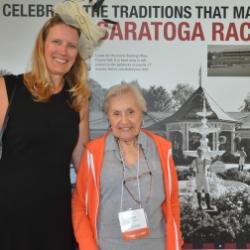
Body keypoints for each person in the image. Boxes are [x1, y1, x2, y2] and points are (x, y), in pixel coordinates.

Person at [0, 1, 106, 250]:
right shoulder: (7, 89)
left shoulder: (79, 100)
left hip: (57, 219)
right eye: (56, 42)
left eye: (71, 46)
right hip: (9, 217)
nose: (63, 51)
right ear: (42, 46)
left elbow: (83, 161)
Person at [72, 83, 183, 250]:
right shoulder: (93, 154)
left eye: (131, 112)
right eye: (116, 113)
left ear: (141, 113)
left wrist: (176, 244)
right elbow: (80, 205)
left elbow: (172, 203)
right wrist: (88, 246)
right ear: (108, 117)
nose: (124, 121)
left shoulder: (161, 149)